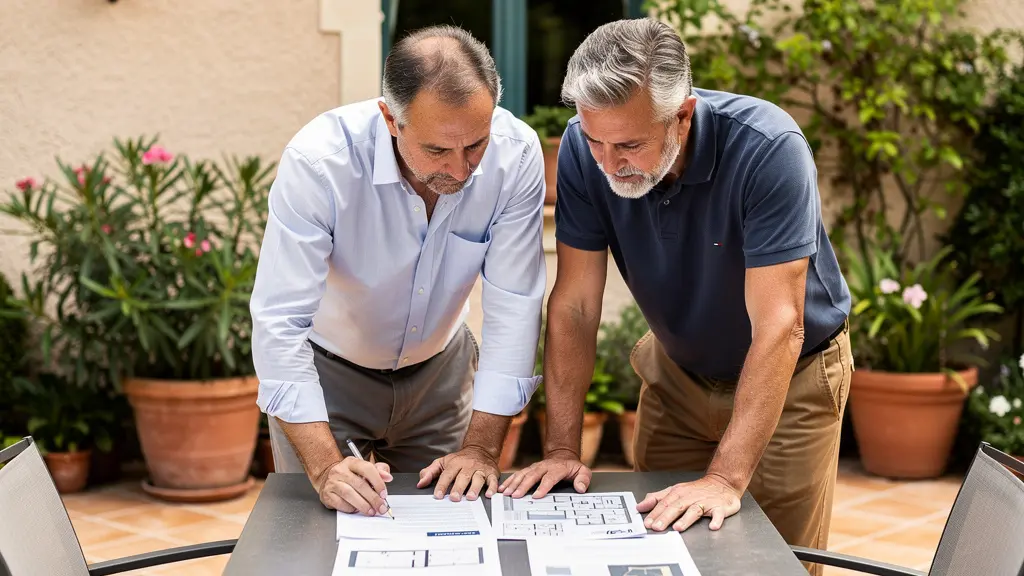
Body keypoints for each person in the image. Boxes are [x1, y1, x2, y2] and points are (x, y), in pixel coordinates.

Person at [498, 18, 852, 575]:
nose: (610, 163)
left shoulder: (768, 149)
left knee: (771, 562)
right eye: (596, 141)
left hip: (791, 376)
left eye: (631, 144)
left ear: (682, 116)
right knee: (655, 551)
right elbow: (575, 306)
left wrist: (725, 478)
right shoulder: (580, 149)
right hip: (677, 374)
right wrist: (563, 452)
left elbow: (780, 324)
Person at [250, 24, 546, 518]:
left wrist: (482, 448)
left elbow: (515, 305)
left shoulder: (516, 155)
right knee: (314, 538)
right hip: (327, 372)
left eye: (475, 145)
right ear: (391, 118)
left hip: (440, 373)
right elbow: (279, 321)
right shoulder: (320, 163)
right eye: (437, 150)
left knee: (449, 530)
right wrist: (324, 468)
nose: (460, 169)